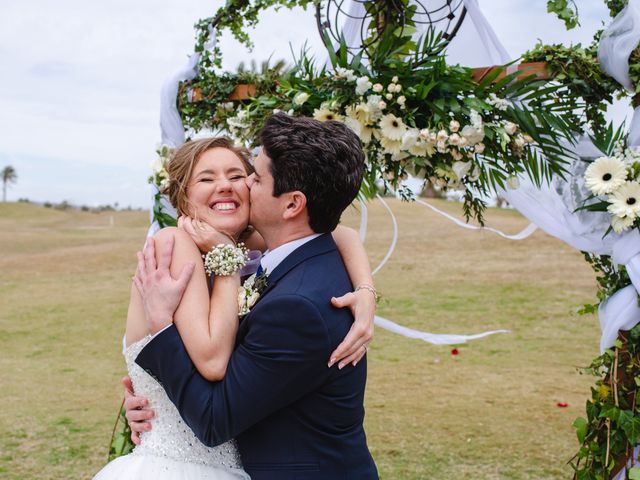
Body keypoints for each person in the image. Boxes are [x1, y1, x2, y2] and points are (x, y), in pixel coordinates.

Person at [94, 131, 376, 479]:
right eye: (206, 178)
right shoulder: (175, 245)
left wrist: (365, 290)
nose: (226, 186)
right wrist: (225, 260)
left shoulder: (244, 244)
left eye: (240, 176)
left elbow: (335, 233)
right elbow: (212, 361)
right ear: (183, 195)